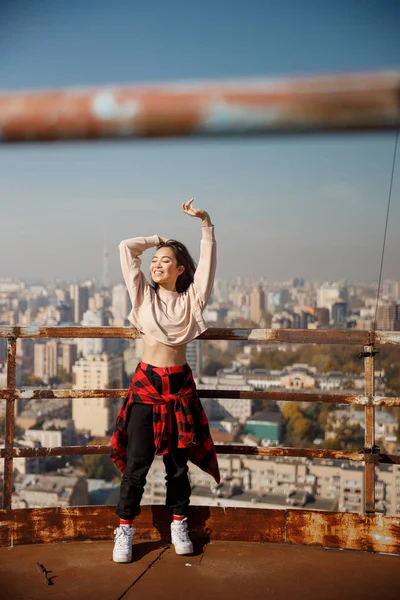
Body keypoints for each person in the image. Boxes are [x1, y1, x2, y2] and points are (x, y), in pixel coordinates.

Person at [110, 199, 220, 563]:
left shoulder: (192, 301)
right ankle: (124, 529)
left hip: (179, 388)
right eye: (154, 260)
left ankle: (178, 523)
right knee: (137, 465)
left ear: (181, 269)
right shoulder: (142, 295)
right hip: (147, 386)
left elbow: (207, 266)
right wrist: (160, 238)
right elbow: (127, 247)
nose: (156, 264)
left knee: (177, 466)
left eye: (165, 260)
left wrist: (205, 223)